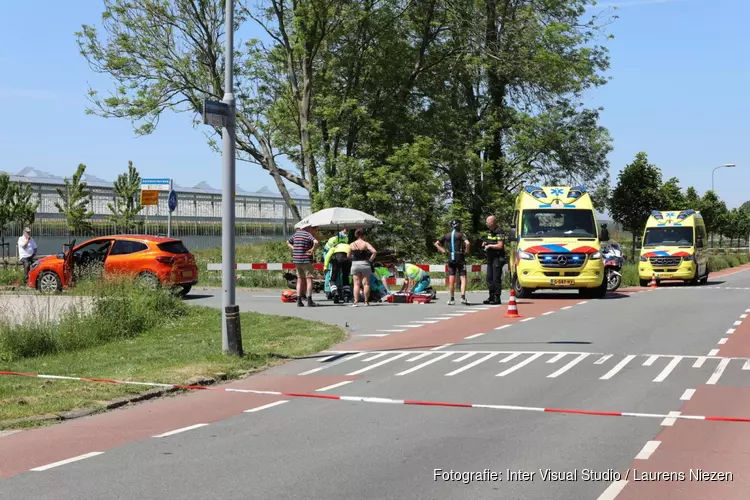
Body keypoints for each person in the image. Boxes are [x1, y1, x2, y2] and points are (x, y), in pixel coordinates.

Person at [435, 220, 470, 305]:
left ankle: (451, 299)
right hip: (460, 257)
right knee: (463, 277)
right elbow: (468, 243)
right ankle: (463, 297)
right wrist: (466, 251)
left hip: (451, 257)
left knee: (451, 277)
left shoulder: (447, 235)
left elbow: (436, 243)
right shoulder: (461, 234)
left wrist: (442, 250)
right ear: (459, 226)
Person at [286, 225, 319, 307]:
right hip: (306, 260)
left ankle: (299, 300)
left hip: (297, 260)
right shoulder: (307, 234)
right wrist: (312, 249)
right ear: (307, 228)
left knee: (300, 279)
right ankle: (309, 300)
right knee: (309, 279)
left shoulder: (296, 234)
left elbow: (287, 242)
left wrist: (294, 248)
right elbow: (316, 242)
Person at [347, 228, 377, 306]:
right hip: (365, 264)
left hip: (355, 264)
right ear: (363, 235)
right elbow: (374, 251)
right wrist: (370, 260)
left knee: (356, 284)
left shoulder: (352, 244)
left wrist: (353, 259)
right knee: (366, 284)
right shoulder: (365, 243)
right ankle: (366, 301)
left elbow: (348, 255)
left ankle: (356, 302)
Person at [482, 215, 506, 305]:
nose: (486, 223)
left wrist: (489, 246)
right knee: (489, 278)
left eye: (487, 221)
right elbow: (491, 241)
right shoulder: (490, 231)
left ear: (492, 222)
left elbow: (500, 245)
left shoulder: (499, 231)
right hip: (490, 258)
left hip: (497, 258)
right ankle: (491, 296)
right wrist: (485, 243)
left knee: (496, 278)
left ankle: (497, 297)